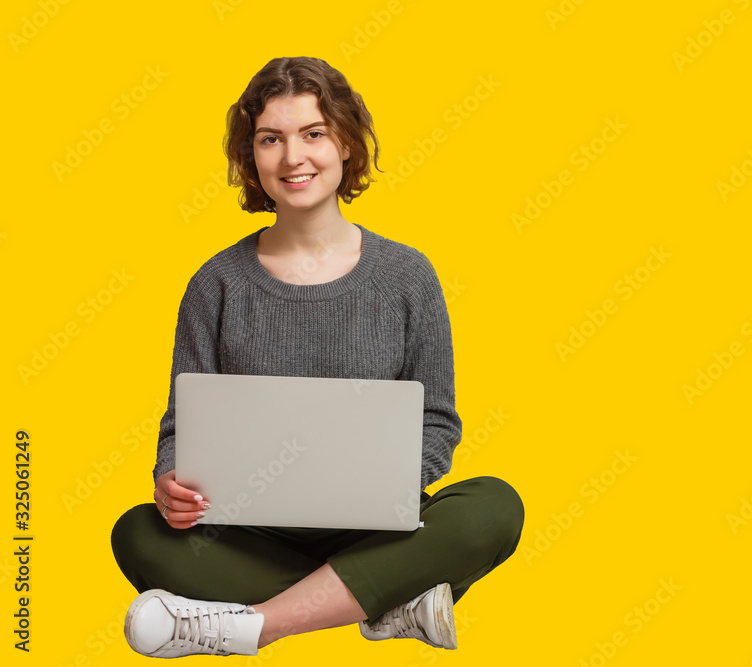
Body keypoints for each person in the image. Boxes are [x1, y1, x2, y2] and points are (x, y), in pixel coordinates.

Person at [110, 56, 524, 659]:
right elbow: (182, 426)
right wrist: (169, 479)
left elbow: (438, 424)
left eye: (313, 133)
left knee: (494, 506)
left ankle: (250, 625)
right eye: (270, 139)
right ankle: (388, 603)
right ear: (250, 156)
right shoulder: (215, 284)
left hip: (381, 529)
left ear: (347, 144)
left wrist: (374, 484)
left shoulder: (407, 276)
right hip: (250, 535)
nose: (291, 157)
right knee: (137, 533)